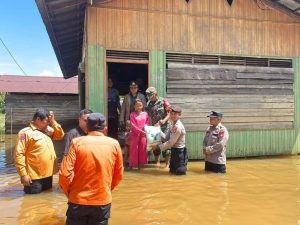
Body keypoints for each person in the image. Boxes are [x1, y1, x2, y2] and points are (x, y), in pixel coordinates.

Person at [59, 112, 123, 225]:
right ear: (105, 129)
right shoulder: (114, 144)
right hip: (102, 201)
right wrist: (107, 189)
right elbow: (118, 174)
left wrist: (69, 192)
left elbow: (64, 173)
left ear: (87, 127)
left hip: (78, 200)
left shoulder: (76, 143)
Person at [14, 108, 64, 194]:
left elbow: (60, 135)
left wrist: (53, 122)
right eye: (46, 121)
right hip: (33, 177)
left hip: (48, 174)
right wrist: (23, 174)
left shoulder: (47, 131)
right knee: (32, 204)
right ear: (38, 119)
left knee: (47, 201)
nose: (48, 123)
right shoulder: (25, 133)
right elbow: (19, 154)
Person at [150, 105, 187, 175]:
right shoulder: (172, 125)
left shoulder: (178, 127)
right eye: (172, 114)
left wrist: (158, 147)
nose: (173, 116)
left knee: (180, 175)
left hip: (180, 153)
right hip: (174, 152)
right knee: (172, 173)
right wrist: (158, 130)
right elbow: (166, 138)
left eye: (175, 114)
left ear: (179, 115)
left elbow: (170, 143)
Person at [145, 86, 171, 168]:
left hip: (164, 127)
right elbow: (147, 116)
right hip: (154, 127)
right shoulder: (149, 104)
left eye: (151, 96)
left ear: (155, 94)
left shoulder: (163, 101)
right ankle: (157, 163)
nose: (150, 98)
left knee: (166, 145)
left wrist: (164, 120)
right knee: (155, 145)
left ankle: (167, 165)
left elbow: (170, 113)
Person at [129, 99, 149, 169]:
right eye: (137, 105)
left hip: (143, 135)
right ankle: (134, 165)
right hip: (135, 134)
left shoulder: (145, 114)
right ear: (134, 106)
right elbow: (133, 125)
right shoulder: (132, 114)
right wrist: (141, 131)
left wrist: (145, 130)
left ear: (142, 106)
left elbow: (146, 123)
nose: (138, 107)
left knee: (142, 149)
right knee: (134, 149)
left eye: (140, 105)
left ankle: (141, 165)